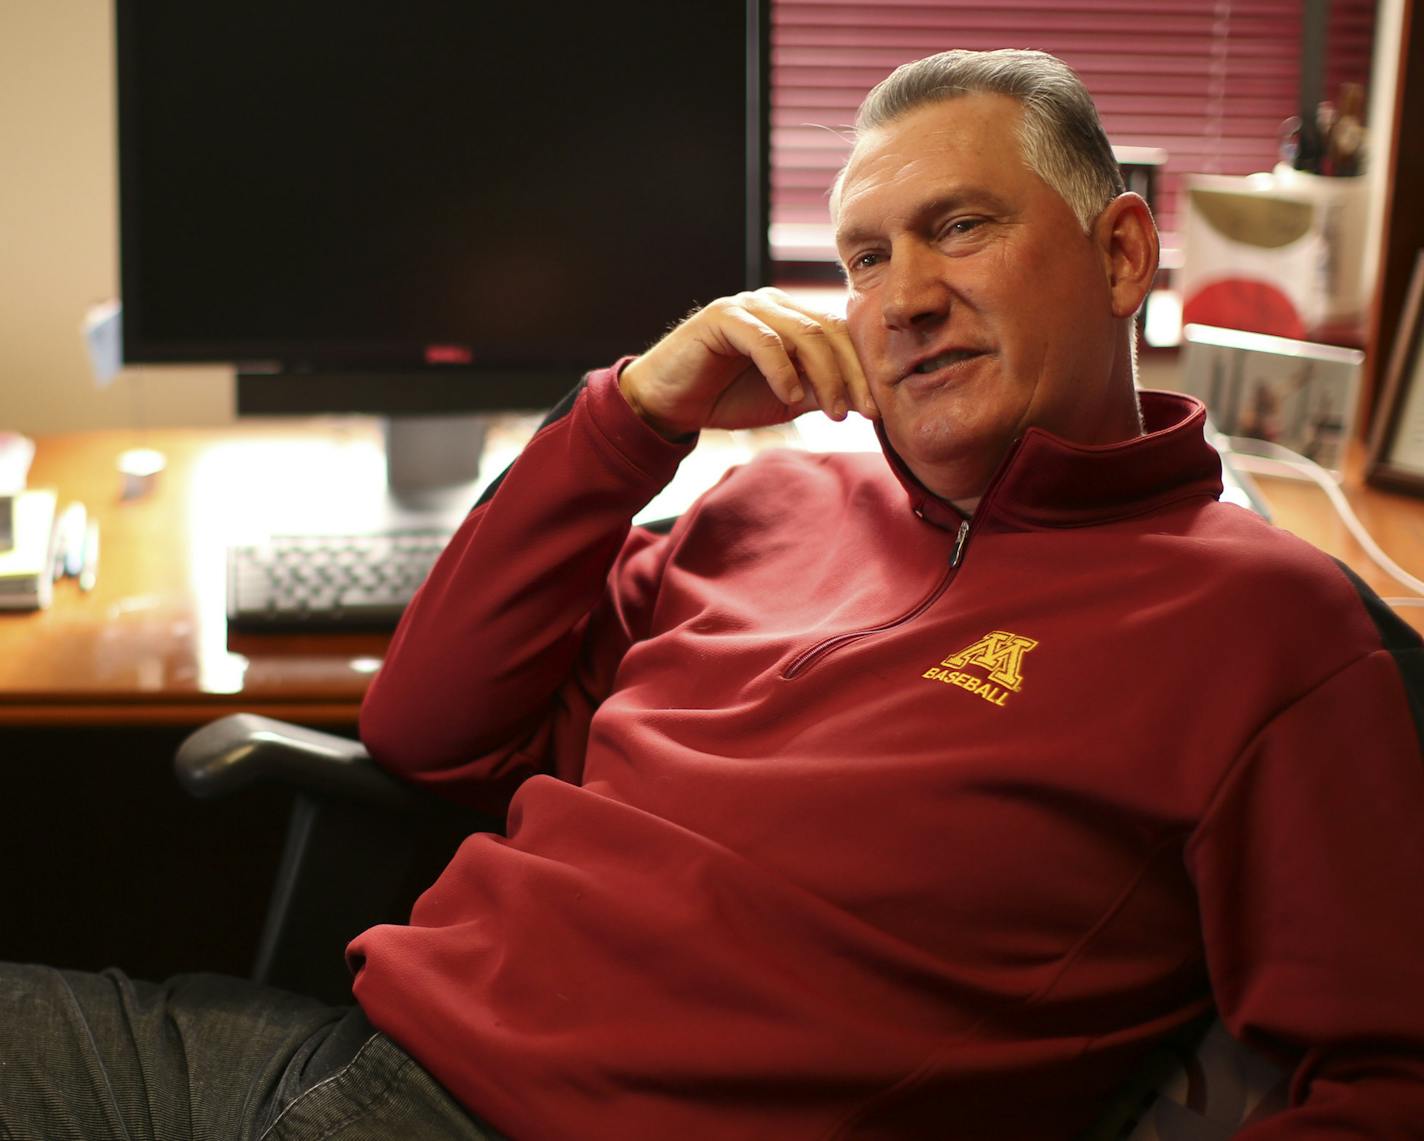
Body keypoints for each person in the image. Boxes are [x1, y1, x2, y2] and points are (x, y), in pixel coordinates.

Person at [4, 48, 1424, 1141]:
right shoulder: (770, 497)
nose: (905, 294)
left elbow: (1383, 1073)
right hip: (346, 1067)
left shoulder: (1261, 627)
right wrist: (635, 411)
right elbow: (429, 731)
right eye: (867, 255)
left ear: (1123, 252)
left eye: (962, 226)